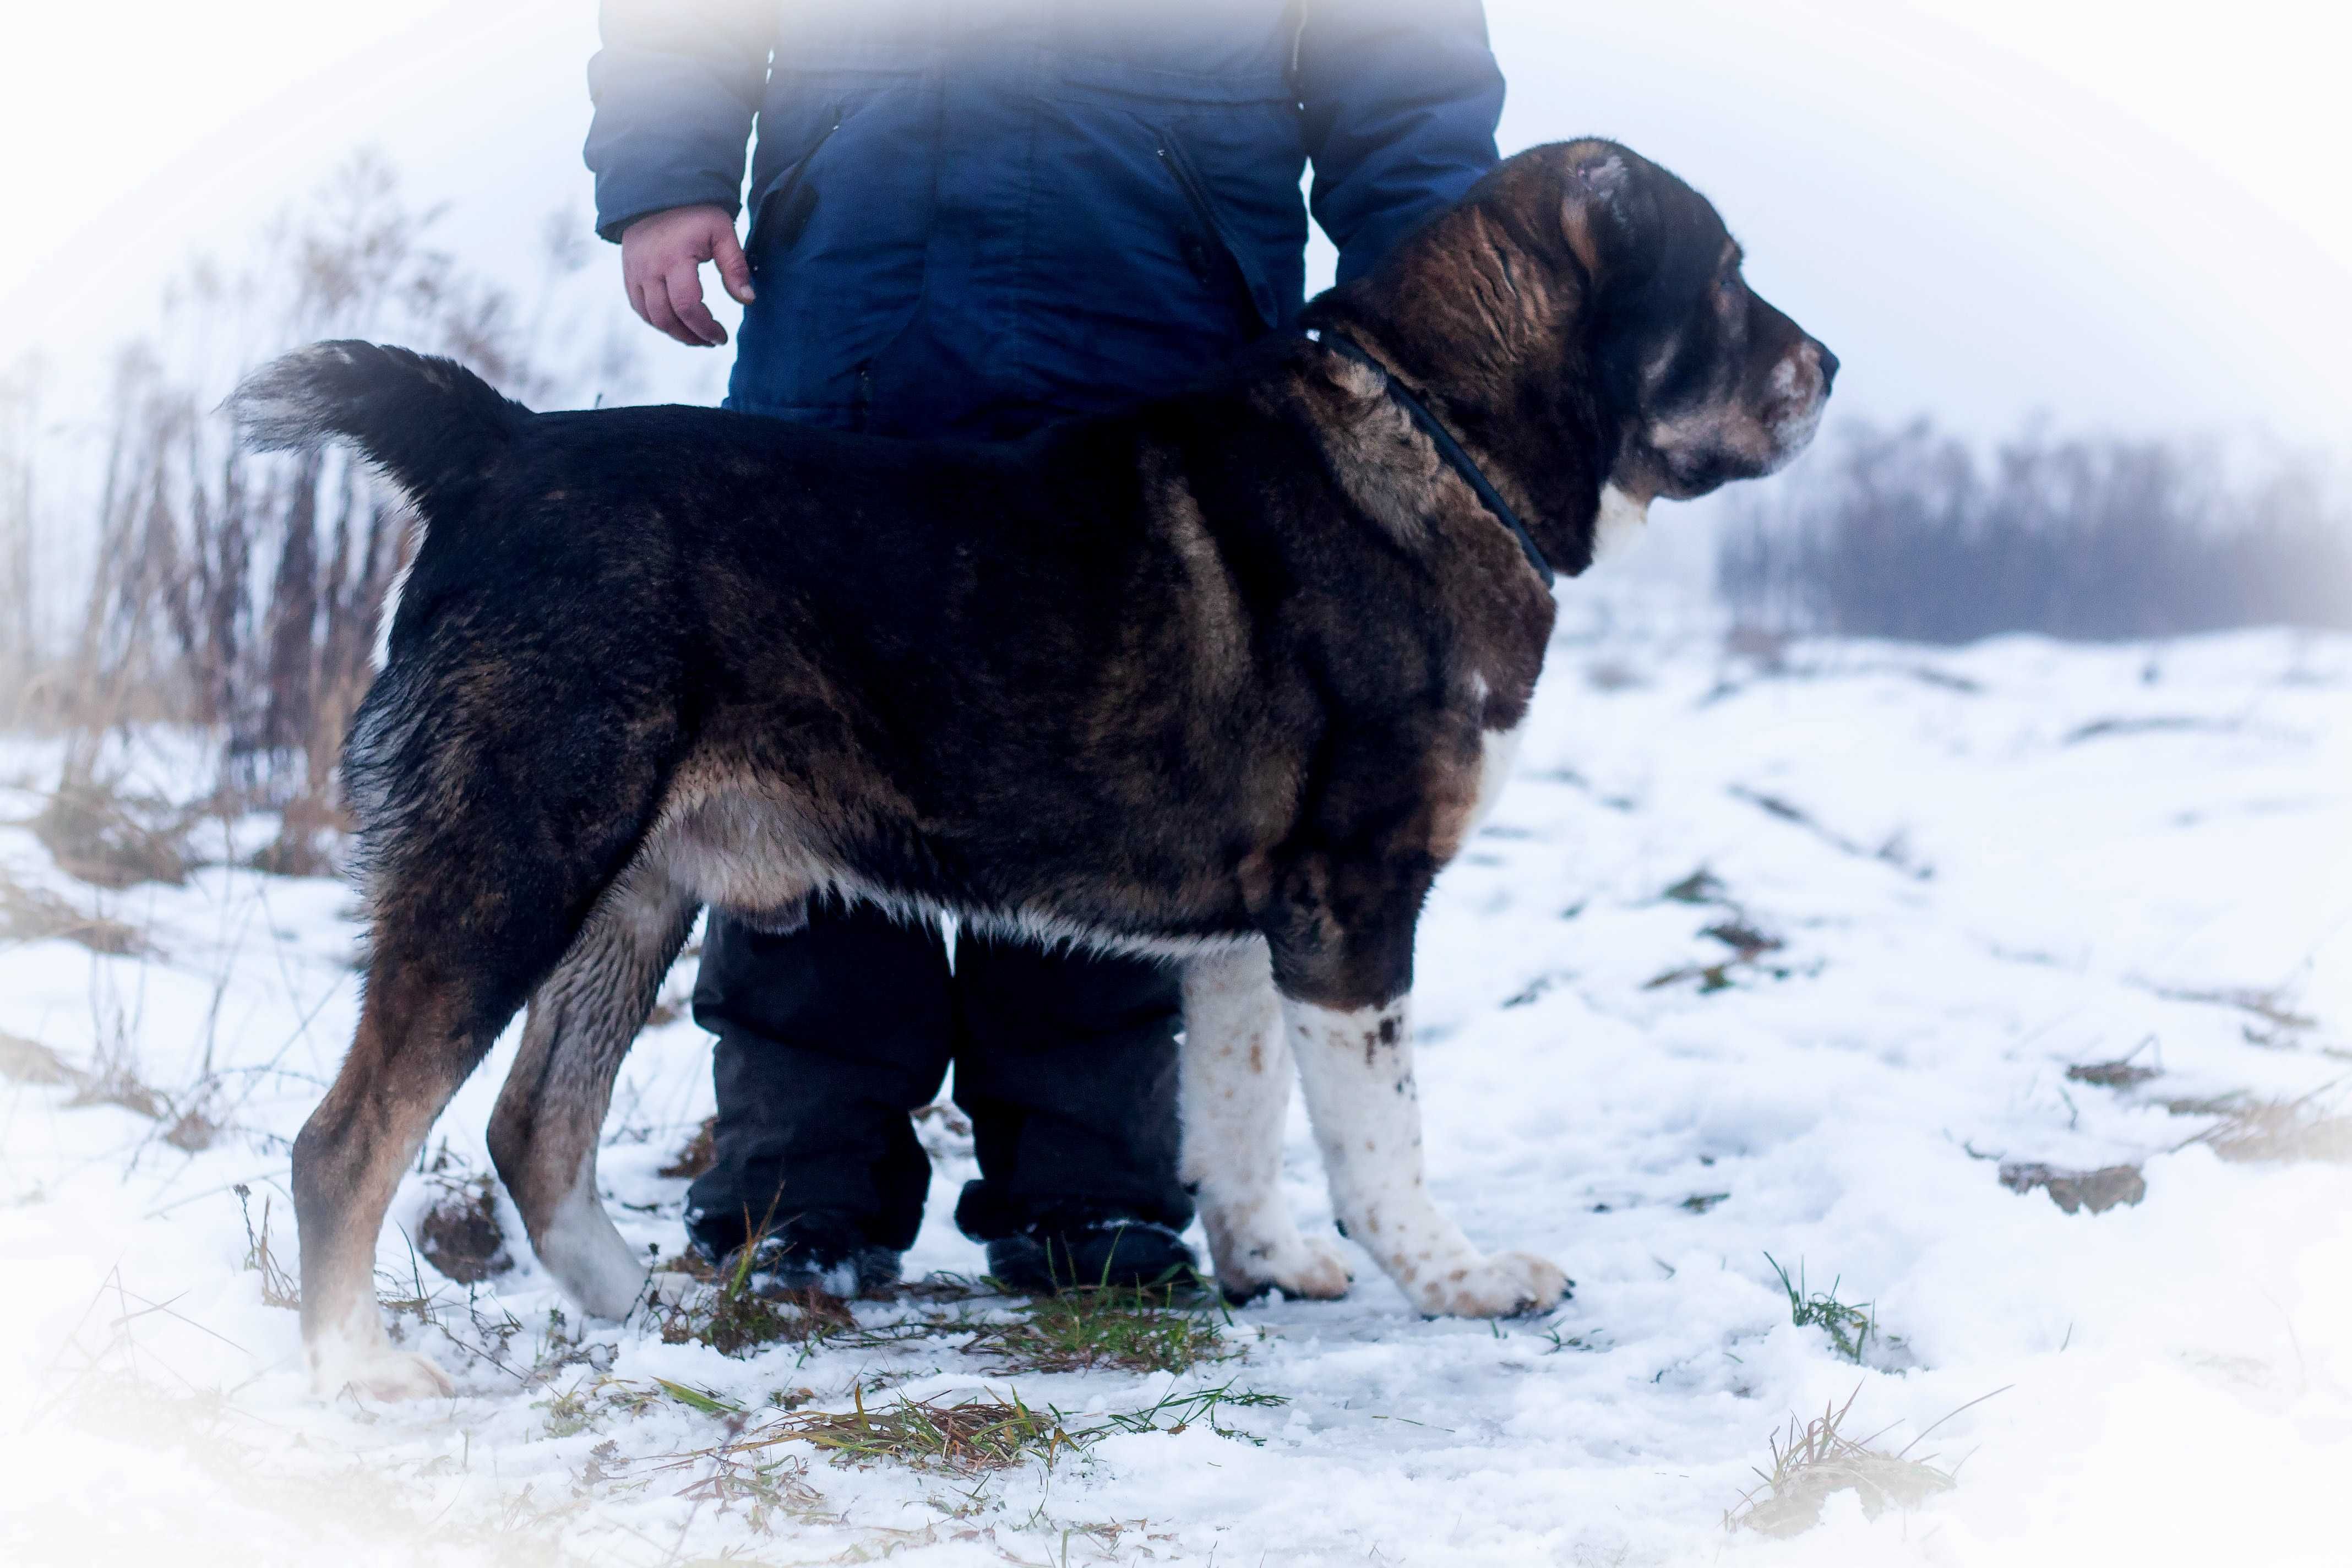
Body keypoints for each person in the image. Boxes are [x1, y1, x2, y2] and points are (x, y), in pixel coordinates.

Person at [584, 1, 1505, 1297]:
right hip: (859, 296)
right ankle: (801, 1183)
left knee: (1131, 764)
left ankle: (1091, 1190)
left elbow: (1401, 69)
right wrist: (669, 172)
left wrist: (1435, 301)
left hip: (1160, 315)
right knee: (807, 737)